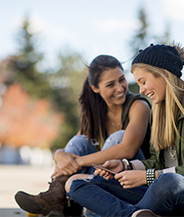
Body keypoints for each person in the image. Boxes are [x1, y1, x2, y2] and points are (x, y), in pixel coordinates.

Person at [66, 43, 184, 217]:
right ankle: (135, 214)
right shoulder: (159, 111)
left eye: (143, 81)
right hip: (161, 193)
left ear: (163, 73)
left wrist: (147, 177)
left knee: (169, 182)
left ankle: (125, 213)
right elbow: (157, 162)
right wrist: (125, 165)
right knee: (78, 184)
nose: (141, 90)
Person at [14, 54, 152, 216]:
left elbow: (127, 149)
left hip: (135, 181)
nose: (120, 88)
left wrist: (77, 162)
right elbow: (75, 146)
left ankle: (83, 198)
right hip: (103, 176)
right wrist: (59, 154)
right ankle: (58, 199)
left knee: (118, 138)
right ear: (95, 88)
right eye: (110, 84)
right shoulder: (94, 111)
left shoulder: (139, 105)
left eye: (121, 79)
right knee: (80, 141)